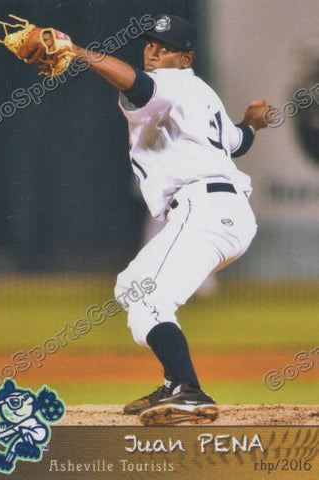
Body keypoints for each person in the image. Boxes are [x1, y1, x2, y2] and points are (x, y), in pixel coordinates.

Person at [71, 14, 272, 425]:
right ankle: (175, 382)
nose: (153, 52)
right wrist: (252, 122)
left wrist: (76, 52)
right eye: (150, 44)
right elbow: (237, 141)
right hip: (220, 213)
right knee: (133, 286)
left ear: (186, 58)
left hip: (206, 211)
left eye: (165, 48)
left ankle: (190, 391)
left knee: (147, 294)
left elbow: (138, 84)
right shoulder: (202, 93)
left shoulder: (171, 82)